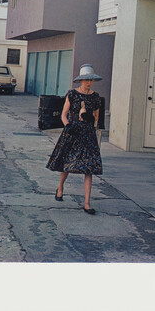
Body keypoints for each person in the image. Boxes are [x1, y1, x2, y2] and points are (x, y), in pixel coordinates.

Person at [46, 64, 103, 214]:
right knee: (67, 164)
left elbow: (97, 118)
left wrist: (91, 120)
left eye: (90, 80)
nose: (88, 82)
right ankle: (60, 187)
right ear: (81, 81)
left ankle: (87, 203)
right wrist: (68, 126)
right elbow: (64, 114)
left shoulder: (95, 97)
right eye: (86, 80)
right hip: (72, 132)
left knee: (89, 168)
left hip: (88, 135)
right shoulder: (72, 94)